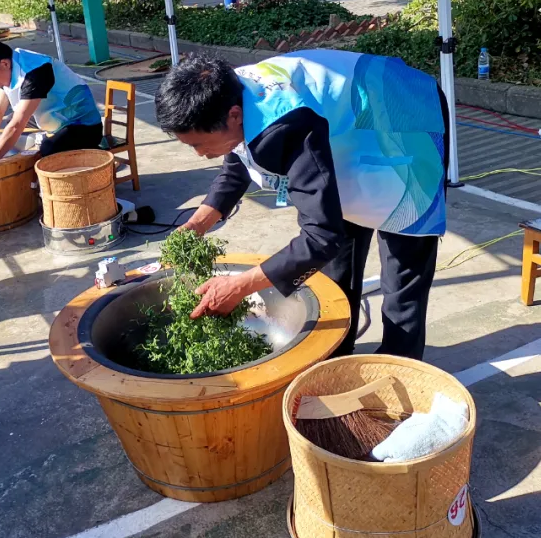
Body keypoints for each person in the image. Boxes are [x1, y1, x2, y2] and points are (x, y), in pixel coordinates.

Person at [154, 52, 448, 361]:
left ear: (234, 115)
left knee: (402, 274)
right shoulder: (224, 92)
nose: (199, 154)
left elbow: (321, 236)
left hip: (403, 112)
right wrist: (194, 226)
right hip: (346, 129)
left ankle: (399, 365)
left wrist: (239, 286)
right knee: (338, 267)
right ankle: (337, 356)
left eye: (199, 144)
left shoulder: (284, 124)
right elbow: (238, 159)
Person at [0, 40, 102, 162]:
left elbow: (17, 124)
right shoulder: (9, 66)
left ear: (4, 63)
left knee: (47, 149)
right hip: (57, 118)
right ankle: (50, 137)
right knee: (9, 120)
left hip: (83, 125)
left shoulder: (35, 72)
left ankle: (90, 156)